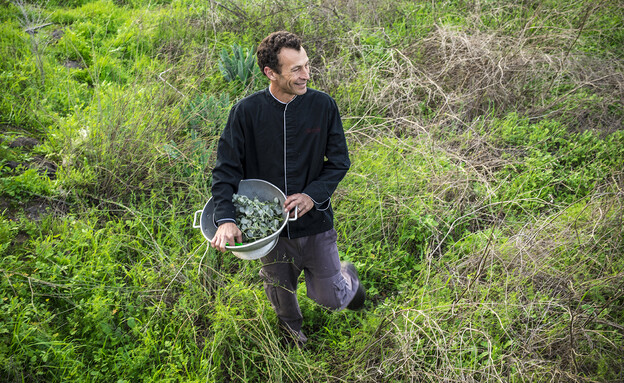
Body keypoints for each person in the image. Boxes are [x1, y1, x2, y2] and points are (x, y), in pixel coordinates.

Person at [209, 31, 365, 346]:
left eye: (306, 65)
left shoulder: (322, 105)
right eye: (295, 69)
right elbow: (226, 169)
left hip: (314, 223)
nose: (306, 75)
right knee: (280, 291)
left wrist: (311, 195)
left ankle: (347, 282)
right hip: (271, 233)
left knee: (330, 298)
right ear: (271, 72)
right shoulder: (246, 112)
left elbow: (339, 162)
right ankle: (293, 335)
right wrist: (225, 218)